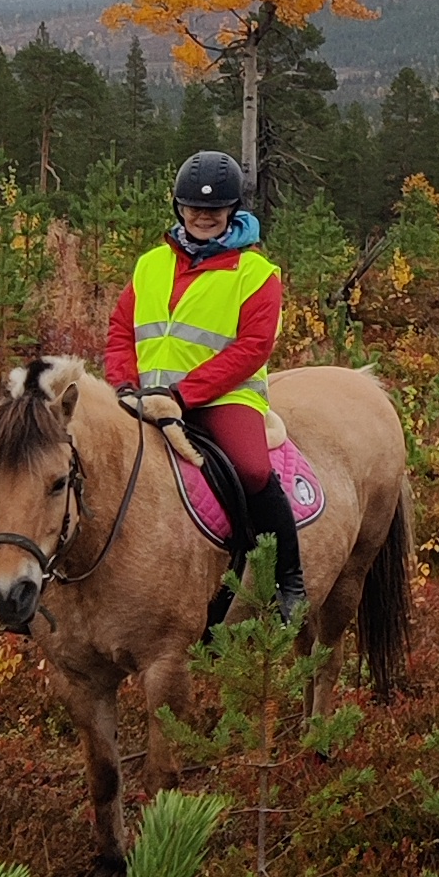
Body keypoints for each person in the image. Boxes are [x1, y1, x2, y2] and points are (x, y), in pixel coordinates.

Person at [105, 147, 304, 617]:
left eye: (214, 209)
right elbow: (120, 331)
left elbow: (252, 348)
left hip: (221, 397)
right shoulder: (149, 265)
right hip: (147, 397)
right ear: (179, 207)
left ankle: (287, 579)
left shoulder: (256, 274)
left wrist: (182, 395)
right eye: (194, 207)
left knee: (253, 470)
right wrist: (123, 386)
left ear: (232, 209)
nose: (203, 216)